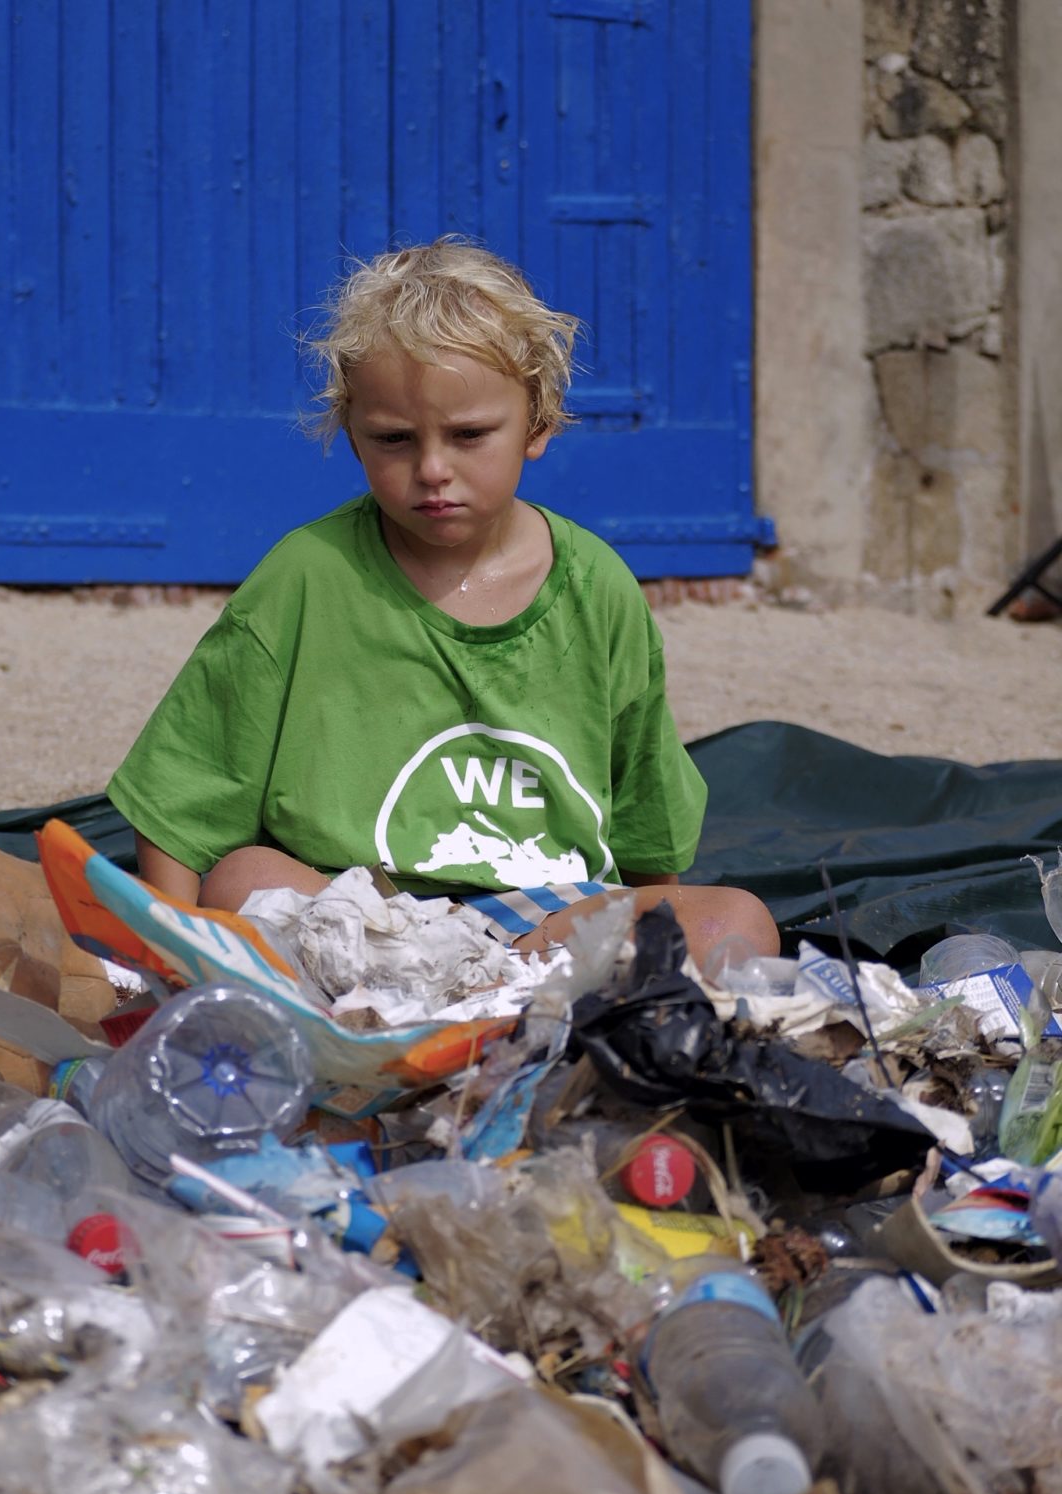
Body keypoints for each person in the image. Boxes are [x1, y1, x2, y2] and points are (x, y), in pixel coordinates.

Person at [107, 238, 778, 970]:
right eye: (394, 439)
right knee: (243, 877)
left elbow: (648, 815)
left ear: (539, 423)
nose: (432, 469)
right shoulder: (307, 577)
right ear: (353, 436)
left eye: (468, 436)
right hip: (362, 916)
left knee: (737, 920)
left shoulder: (597, 587)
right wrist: (171, 958)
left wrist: (662, 938)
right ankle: (432, 995)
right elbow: (183, 799)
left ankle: (489, 994)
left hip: (545, 922)